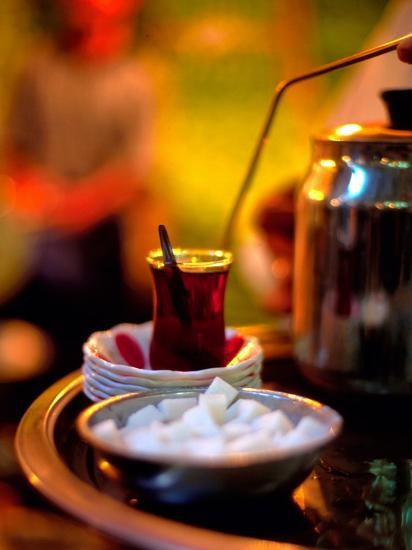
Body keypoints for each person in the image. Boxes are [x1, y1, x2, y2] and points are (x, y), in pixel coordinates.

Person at [0, 0, 167, 376]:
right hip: (40, 227)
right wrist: (38, 194)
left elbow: (133, 170)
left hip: (105, 236)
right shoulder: (39, 69)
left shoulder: (135, 80)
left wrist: (80, 207)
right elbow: (17, 147)